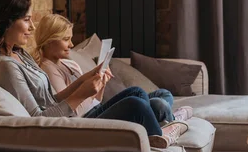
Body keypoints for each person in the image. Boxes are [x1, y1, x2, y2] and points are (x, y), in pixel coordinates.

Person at [0, 0, 188, 148]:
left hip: (70, 120)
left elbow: (51, 100)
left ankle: (163, 129)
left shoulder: (19, 54)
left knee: (137, 93)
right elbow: (37, 120)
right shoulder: (4, 66)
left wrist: (83, 80)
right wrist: (82, 94)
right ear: (7, 23)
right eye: (27, 20)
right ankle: (164, 132)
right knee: (136, 104)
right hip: (65, 131)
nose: (32, 27)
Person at [33, 13, 193, 124]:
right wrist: (90, 91)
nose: (72, 45)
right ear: (49, 41)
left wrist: (101, 83)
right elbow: (72, 112)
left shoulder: (69, 63)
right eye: (66, 39)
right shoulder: (48, 70)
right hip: (88, 118)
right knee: (156, 104)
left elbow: (95, 101)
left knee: (162, 95)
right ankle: (169, 120)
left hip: (96, 109)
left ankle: (164, 118)